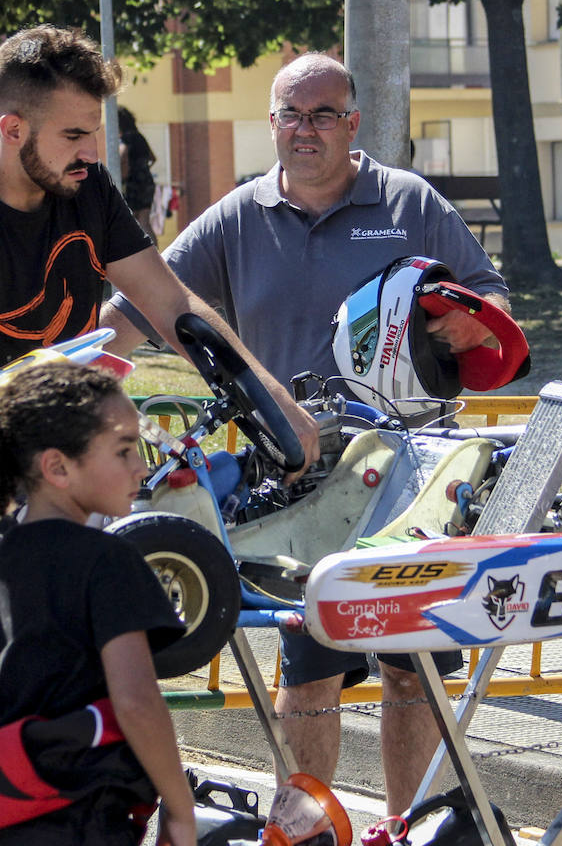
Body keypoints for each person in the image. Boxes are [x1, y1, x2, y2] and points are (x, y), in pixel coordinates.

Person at [99, 53, 512, 813]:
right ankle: (306, 827)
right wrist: (103, 359)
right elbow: (139, 305)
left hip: (416, 478)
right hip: (295, 480)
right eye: (292, 114)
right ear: (272, 124)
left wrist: (460, 321)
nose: (306, 130)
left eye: (324, 114)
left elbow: (491, 304)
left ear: (353, 124)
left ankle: (402, 826)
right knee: (309, 669)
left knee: (409, 667)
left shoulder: (407, 200)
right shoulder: (236, 217)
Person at [0, 24, 317, 472]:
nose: (93, 154)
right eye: (74, 136)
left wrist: (272, 401)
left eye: (94, 133)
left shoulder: (88, 189)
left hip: (77, 458)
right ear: (13, 129)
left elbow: (173, 304)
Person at [0, 361, 193, 845]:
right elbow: (136, 703)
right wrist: (180, 811)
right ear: (57, 467)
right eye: (123, 450)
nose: (141, 466)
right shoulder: (109, 563)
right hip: (81, 821)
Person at [118, 105, 158, 240]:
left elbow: (122, 157)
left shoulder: (126, 139)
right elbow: (153, 158)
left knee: (132, 222)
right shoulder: (140, 136)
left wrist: (122, 176)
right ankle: (156, 254)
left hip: (133, 184)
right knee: (145, 221)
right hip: (147, 181)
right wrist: (143, 170)